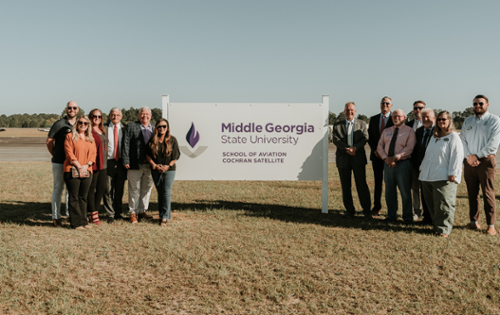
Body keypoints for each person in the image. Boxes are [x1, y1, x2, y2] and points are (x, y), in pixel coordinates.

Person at [419, 111, 463, 237]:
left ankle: (444, 229)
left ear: (449, 120)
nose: (441, 121)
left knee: (444, 203)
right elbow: (427, 155)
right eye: (439, 119)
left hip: (444, 176)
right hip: (428, 175)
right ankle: (436, 225)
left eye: (444, 119)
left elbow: (457, 155)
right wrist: (422, 168)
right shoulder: (434, 136)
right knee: (431, 202)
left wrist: (453, 172)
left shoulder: (453, 136)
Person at [461, 94, 500, 236]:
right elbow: (463, 140)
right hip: (469, 162)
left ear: (487, 105)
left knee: (488, 193)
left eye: (480, 103)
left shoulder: (495, 120)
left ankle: (491, 225)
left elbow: (493, 143)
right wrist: (469, 158)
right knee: (472, 193)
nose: (477, 106)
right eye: (475, 104)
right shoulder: (468, 121)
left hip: (486, 162)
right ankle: (473, 222)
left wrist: (476, 156)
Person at [331, 102, 371, 219]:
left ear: (355, 111)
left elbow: (365, 137)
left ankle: (367, 211)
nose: (350, 112)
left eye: (352, 110)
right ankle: (349, 210)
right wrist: (346, 149)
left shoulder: (362, 123)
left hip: (358, 158)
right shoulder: (337, 125)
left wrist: (355, 148)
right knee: (345, 186)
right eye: (347, 110)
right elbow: (335, 139)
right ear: (344, 111)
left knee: (362, 185)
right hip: (343, 159)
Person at [377, 109, 416, 223]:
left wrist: (396, 157)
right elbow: (380, 146)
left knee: (405, 192)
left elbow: (409, 148)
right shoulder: (386, 131)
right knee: (389, 191)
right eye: (394, 116)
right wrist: (386, 158)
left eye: (399, 116)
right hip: (388, 164)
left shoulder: (409, 131)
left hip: (403, 164)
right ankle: (391, 215)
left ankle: (407, 217)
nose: (396, 118)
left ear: (404, 118)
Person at [46, 101, 79, 227]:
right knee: (58, 189)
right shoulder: (59, 124)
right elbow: (49, 141)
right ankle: (56, 217)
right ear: (66, 109)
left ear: (78, 109)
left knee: (71, 190)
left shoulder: (79, 124)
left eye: (74, 108)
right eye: (69, 108)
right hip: (59, 162)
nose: (72, 110)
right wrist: (54, 154)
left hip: (73, 163)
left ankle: (70, 215)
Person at [122, 107, 155, 223]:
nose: (144, 116)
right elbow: (125, 144)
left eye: (147, 114)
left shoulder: (155, 128)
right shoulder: (131, 126)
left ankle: (142, 211)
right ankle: (133, 212)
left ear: (150, 116)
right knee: (134, 189)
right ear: (138, 115)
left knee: (146, 189)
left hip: (150, 165)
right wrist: (126, 160)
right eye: (142, 114)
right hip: (134, 164)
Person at [63, 115, 96, 230]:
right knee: (74, 196)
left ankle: (83, 221)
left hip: (87, 170)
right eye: (80, 122)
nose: (83, 125)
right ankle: (76, 223)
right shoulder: (70, 136)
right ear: (77, 124)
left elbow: (93, 155)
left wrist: (86, 166)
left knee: (83, 197)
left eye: (85, 123)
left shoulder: (90, 139)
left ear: (88, 126)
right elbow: (69, 153)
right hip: (71, 169)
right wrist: (79, 167)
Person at [146, 119, 181, 226]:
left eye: (164, 126)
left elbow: (176, 156)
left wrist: (168, 166)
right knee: (160, 192)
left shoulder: (172, 140)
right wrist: (155, 166)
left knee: (166, 192)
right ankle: (162, 214)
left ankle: (165, 217)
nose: (162, 128)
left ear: (167, 128)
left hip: (169, 169)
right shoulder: (152, 140)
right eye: (159, 126)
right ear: (156, 128)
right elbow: (147, 155)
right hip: (156, 169)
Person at [368, 97, 394, 215]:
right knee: (377, 182)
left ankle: (391, 208)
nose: (385, 105)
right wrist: (375, 150)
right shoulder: (373, 119)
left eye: (387, 103)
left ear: (391, 105)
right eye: (383, 103)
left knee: (390, 182)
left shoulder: (395, 119)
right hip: (377, 156)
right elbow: (371, 137)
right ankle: (376, 206)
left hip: (389, 157)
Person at [103, 107, 127, 223]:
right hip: (108, 162)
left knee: (119, 189)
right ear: (109, 115)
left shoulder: (125, 128)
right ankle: (110, 214)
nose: (115, 117)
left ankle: (118, 213)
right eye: (113, 115)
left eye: (117, 115)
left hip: (122, 163)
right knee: (108, 189)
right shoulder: (104, 128)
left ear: (121, 116)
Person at [412, 108, 435, 225]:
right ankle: (427, 218)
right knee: (424, 194)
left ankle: (435, 218)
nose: (425, 119)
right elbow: (417, 149)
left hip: (435, 168)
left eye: (428, 117)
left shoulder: (438, 130)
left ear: (434, 118)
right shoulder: (419, 131)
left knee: (434, 194)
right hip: (421, 167)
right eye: (423, 117)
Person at [86, 109, 108, 226]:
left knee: (101, 188)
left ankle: (94, 211)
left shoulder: (101, 130)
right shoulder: (88, 131)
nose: (97, 118)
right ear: (91, 117)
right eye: (95, 116)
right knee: (91, 188)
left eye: (99, 117)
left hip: (103, 164)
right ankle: (94, 213)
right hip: (93, 164)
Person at [406, 101, 426, 220]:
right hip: (412, 161)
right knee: (415, 188)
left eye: (420, 108)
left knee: (426, 188)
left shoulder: (430, 124)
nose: (418, 110)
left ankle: (427, 212)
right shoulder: (408, 124)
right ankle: (417, 211)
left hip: (425, 161)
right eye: (415, 108)